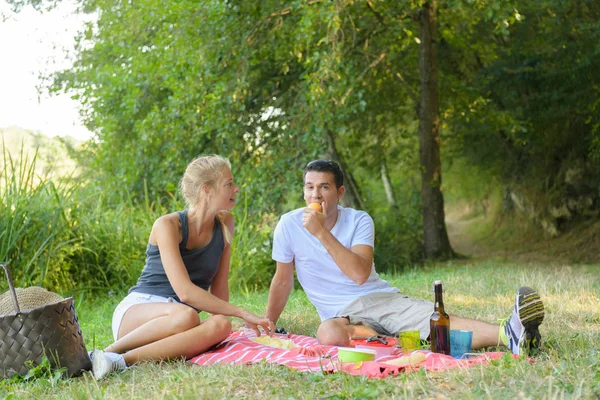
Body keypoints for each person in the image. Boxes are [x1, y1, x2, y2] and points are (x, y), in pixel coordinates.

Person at [265, 159, 544, 356]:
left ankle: (510, 334)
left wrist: (321, 234)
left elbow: (360, 274)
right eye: (309, 187)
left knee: (432, 321)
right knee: (327, 334)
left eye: (324, 187)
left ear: (339, 193)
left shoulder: (360, 221)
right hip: (342, 317)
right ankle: (395, 337)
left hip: (375, 300)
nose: (315, 194)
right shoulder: (288, 225)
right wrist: (268, 323)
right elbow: (282, 281)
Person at [91, 155, 274, 380]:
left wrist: (228, 318)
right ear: (206, 190)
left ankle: (119, 361)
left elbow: (219, 285)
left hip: (181, 319)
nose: (236, 189)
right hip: (141, 312)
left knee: (221, 324)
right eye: (229, 184)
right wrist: (242, 312)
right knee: (187, 316)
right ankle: (109, 351)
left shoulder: (226, 223)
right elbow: (185, 293)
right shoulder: (168, 225)